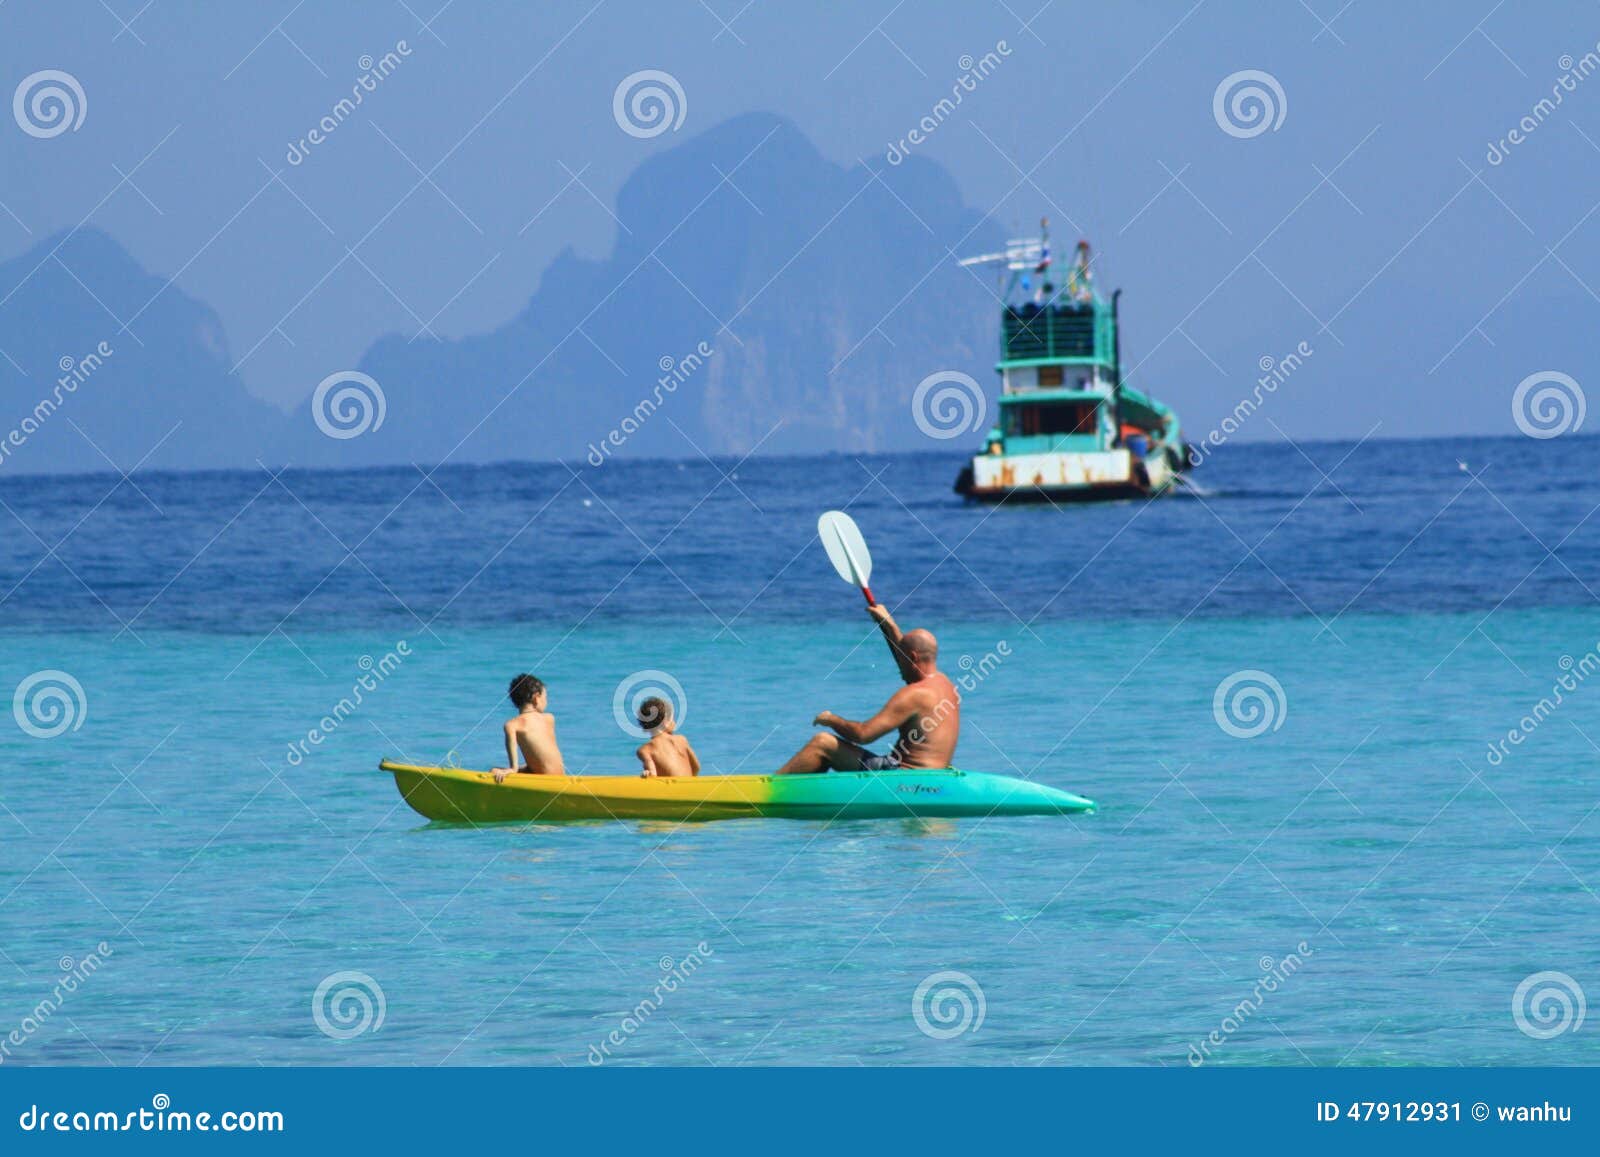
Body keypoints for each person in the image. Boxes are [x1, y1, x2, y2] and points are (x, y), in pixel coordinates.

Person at [775, 603, 960, 774]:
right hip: (934, 775)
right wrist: (888, 624)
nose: (898, 668)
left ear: (912, 658)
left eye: (901, 661)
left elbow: (863, 734)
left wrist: (831, 719)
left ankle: (766, 791)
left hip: (903, 777)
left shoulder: (914, 695)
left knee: (822, 743)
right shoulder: (947, 686)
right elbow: (909, 658)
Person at [491, 674, 566, 782]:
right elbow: (546, 756)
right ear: (536, 698)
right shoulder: (549, 719)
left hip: (546, 780)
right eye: (545, 698)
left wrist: (513, 768)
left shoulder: (512, 725)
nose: (546, 702)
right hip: (561, 776)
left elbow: (514, 767)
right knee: (526, 768)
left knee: (493, 771)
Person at [634, 697, 700, 778]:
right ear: (665, 721)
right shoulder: (681, 740)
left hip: (671, 788)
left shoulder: (645, 750)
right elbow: (696, 767)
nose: (674, 723)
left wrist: (647, 774)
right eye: (672, 719)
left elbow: (653, 775)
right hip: (688, 785)